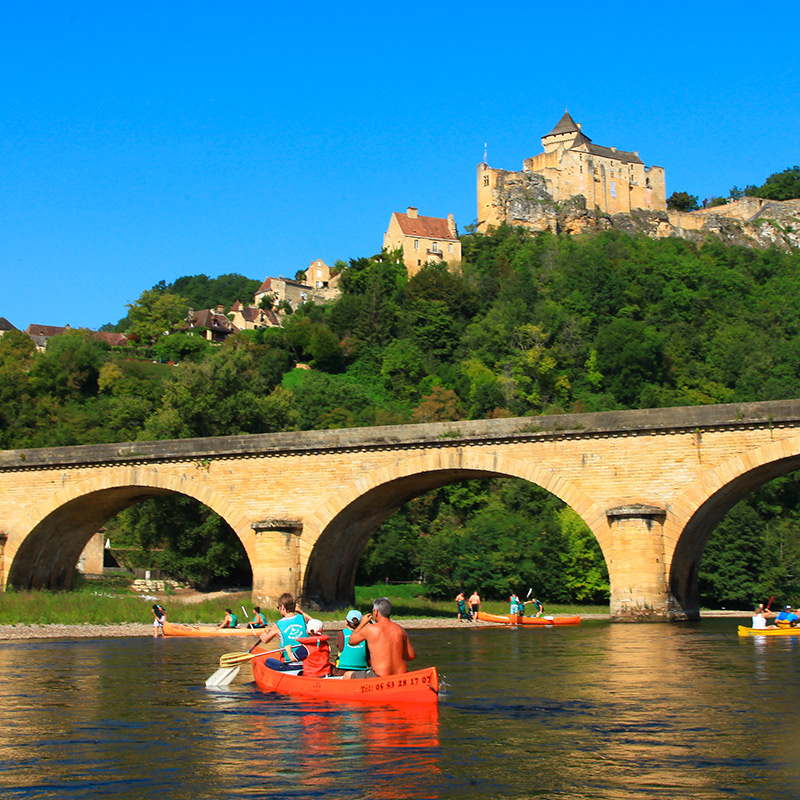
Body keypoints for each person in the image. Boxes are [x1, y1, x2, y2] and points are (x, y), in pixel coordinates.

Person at [345, 597, 415, 678]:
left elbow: (351, 641)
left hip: (379, 676)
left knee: (347, 675)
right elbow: (411, 656)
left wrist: (362, 623)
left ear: (376, 612)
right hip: (400, 675)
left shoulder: (370, 629)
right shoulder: (400, 629)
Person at [259, 592, 311, 666]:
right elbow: (316, 624)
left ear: (283, 607)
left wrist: (262, 635)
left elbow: (265, 640)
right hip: (307, 661)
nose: (279, 609)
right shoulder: (302, 617)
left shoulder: (278, 624)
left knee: (267, 661)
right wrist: (300, 611)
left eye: (278, 607)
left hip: (290, 663)